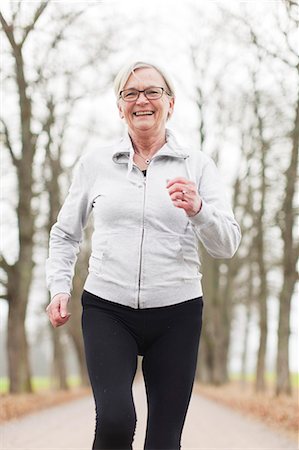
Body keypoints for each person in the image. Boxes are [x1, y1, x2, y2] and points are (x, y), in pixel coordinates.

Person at [46, 61, 241, 450]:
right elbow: (65, 233)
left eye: (152, 92)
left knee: (164, 439)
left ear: (171, 103)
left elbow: (227, 245)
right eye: (130, 93)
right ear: (120, 107)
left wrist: (199, 210)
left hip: (177, 311)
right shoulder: (95, 164)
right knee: (117, 421)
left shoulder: (198, 165)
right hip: (108, 307)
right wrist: (58, 287)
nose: (142, 100)